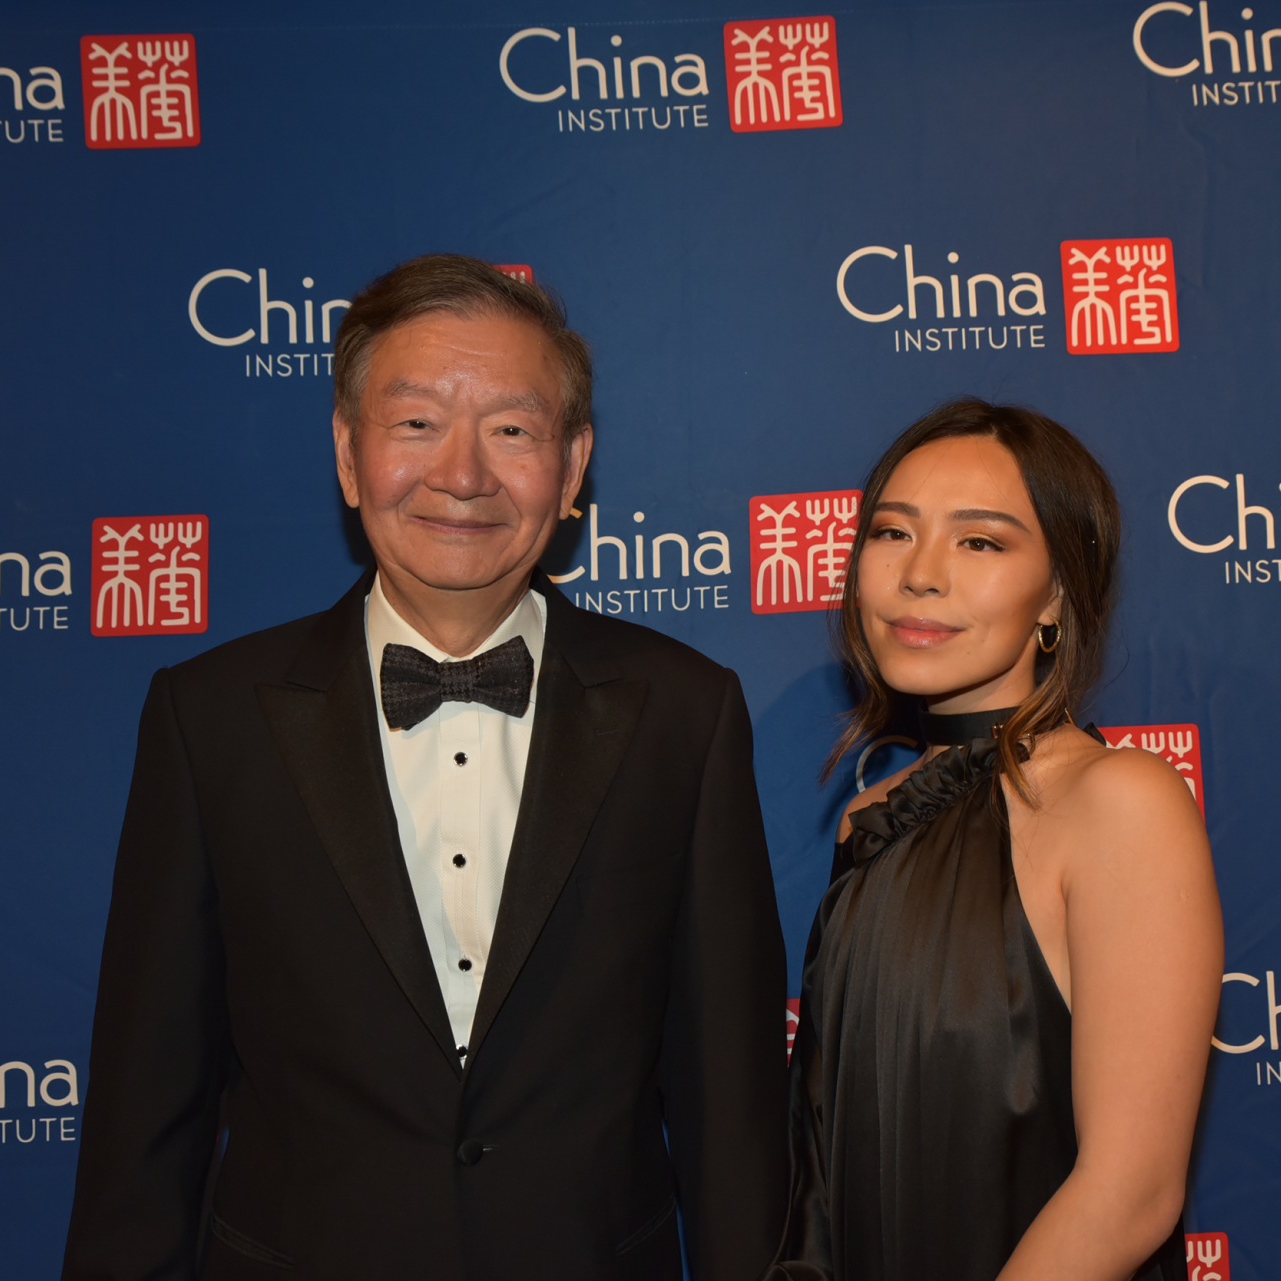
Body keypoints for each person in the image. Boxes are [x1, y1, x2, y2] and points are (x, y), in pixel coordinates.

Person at [62, 255, 787, 1281]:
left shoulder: (685, 712)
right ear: (348, 455)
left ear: (572, 466)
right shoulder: (210, 717)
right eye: (416, 422)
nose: (463, 473)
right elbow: (147, 1107)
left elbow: (731, 1106)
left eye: (512, 430)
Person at [773, 399, 1223, 1281]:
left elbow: (1130, 1191)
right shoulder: (875, 818)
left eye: (979, 542)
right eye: (892, 533)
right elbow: (823, 1173)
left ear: (1057, 592)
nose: (920, 574)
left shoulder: (1119, 802)